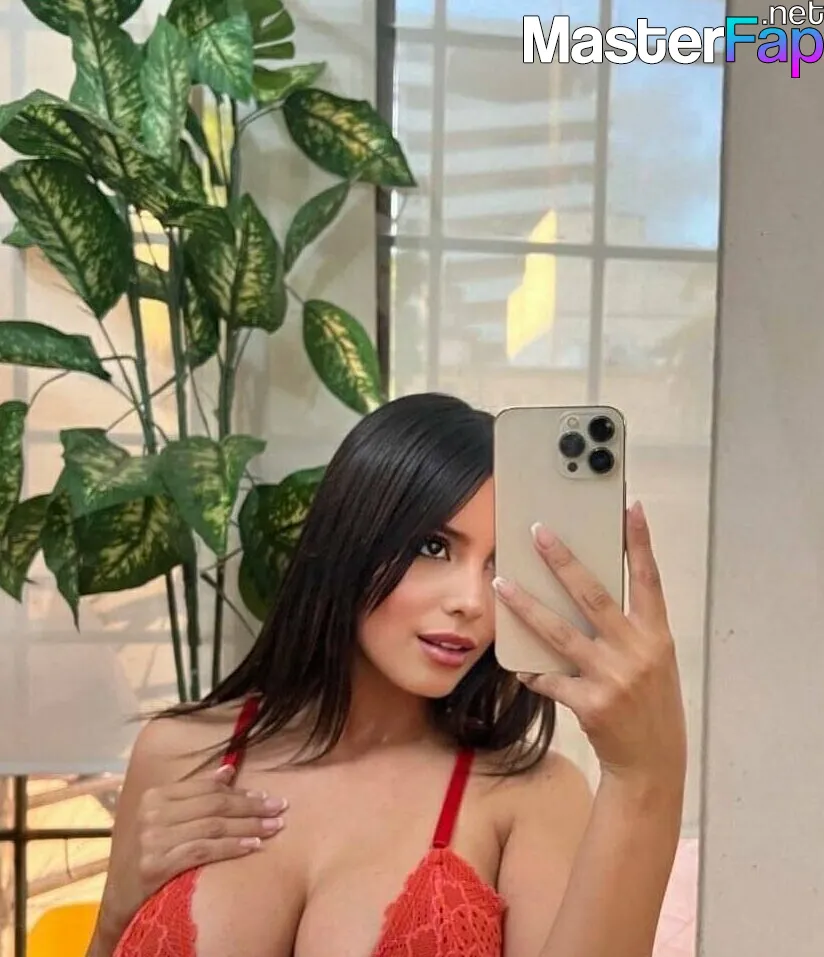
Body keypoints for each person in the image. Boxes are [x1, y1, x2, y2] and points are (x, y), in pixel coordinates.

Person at [87, 392, 687, 957]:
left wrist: (646, 772)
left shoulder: (530, 796)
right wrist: (116, 910)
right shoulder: (176, 754)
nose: (471, 601)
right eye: (434, 547)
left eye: (500, 565)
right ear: (352, 538)